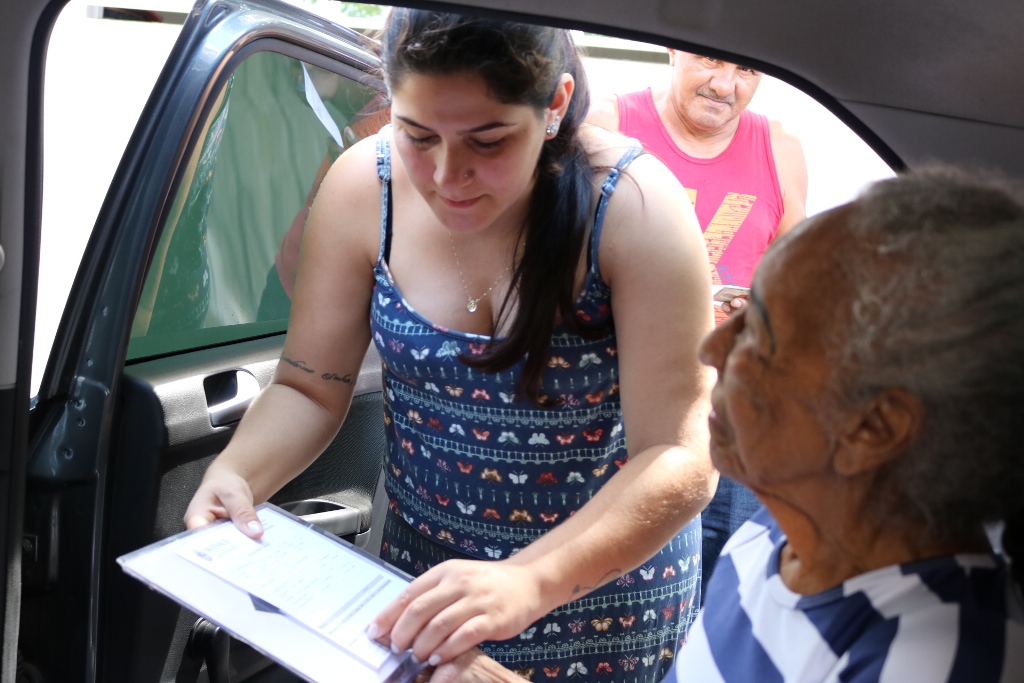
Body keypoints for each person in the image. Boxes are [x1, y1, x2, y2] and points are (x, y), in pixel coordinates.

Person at [183, 9, 717, 680]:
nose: (445, 174)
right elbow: (308, 387)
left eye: (487, 140)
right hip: (427, 605)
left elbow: (681, 454)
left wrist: (529, 581)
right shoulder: (362, 190)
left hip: (601, 605)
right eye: (417, 134)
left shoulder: (634, 206)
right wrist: (238, 473)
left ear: (554, 105)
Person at [410, 166, 1024, 683]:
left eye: (759, 329)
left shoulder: (936, 657)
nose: (712, 346)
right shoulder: (776, 540)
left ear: (873, 428)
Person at [588, 49, 808, 597]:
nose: (726, 85)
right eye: (711, 62)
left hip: (734, 416)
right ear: (674, 49)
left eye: (748, 70)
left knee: (724, 595)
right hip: (623, 415)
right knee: (620, 585)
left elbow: (792, 287)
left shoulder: (780, 149)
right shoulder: (608, 126)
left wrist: (758, 308)